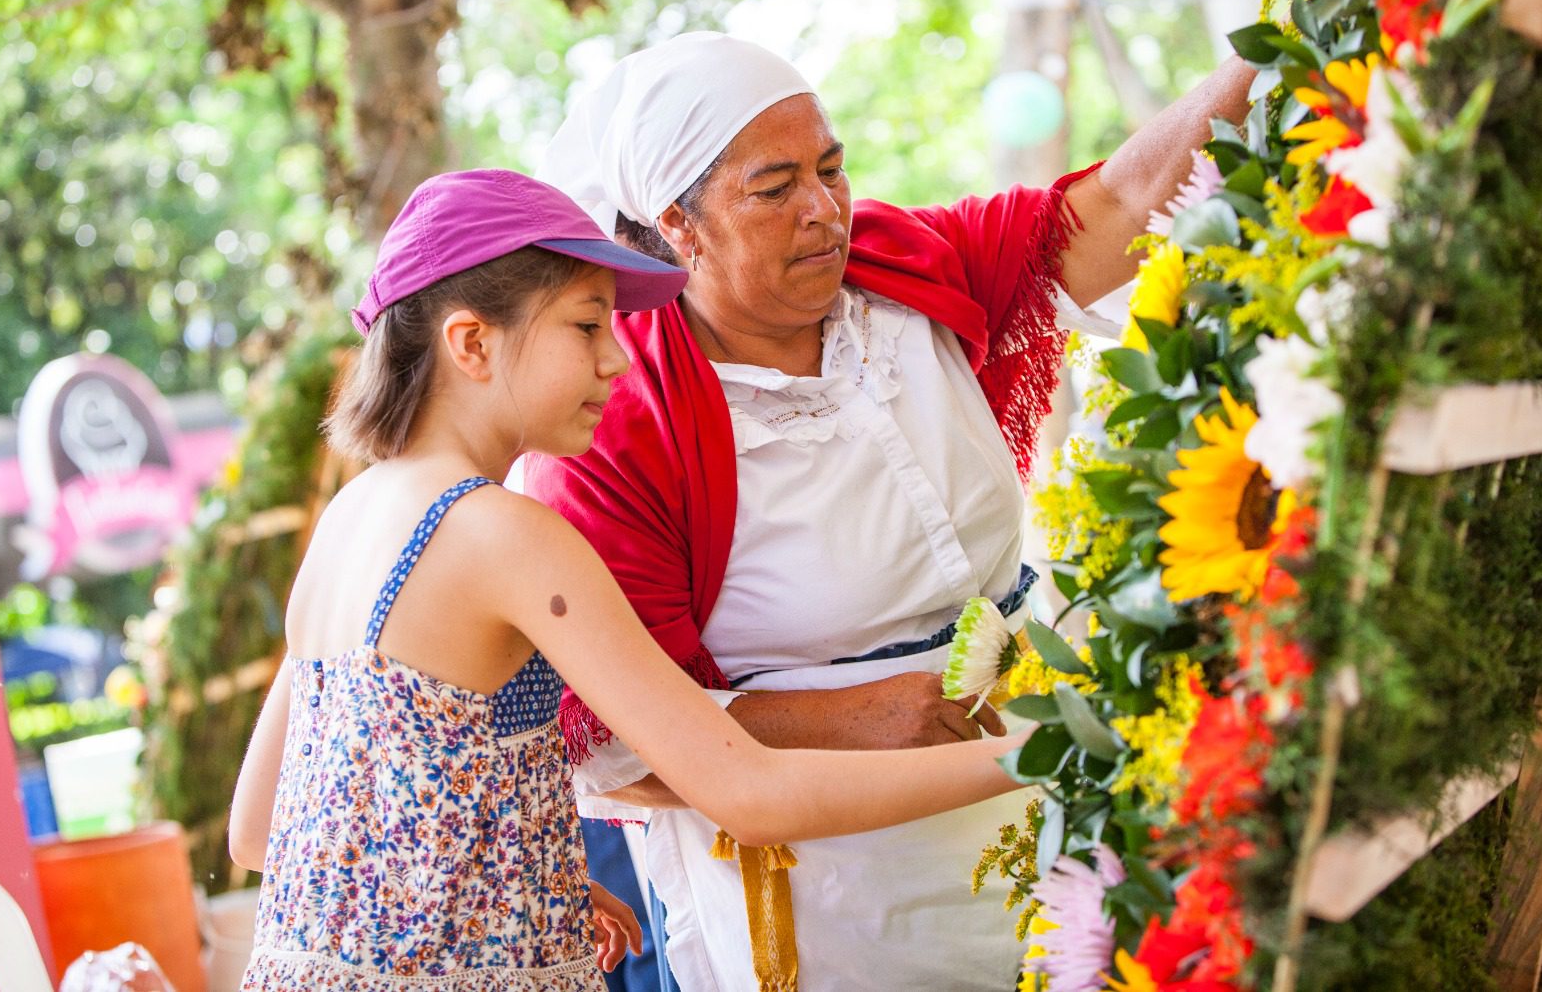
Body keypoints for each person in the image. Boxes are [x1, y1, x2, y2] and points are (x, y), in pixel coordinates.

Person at [527, 32, 1257, 992]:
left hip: (1046, 776)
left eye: (831, 168)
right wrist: (851, 720)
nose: (825, 209)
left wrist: (1282, 46)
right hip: (839, 889)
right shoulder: (616, 419)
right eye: (775, 187)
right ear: (679, 226)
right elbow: (609, 745)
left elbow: (1117, 203)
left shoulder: (903, 265)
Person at [226, 169, 1036, 990]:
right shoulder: (503, 532)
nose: (617, 360)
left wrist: (523, 884)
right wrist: (1029, 758)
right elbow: (748, 793)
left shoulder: (352, 518)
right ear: (472, 344)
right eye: (586, 326)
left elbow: (260, 830)